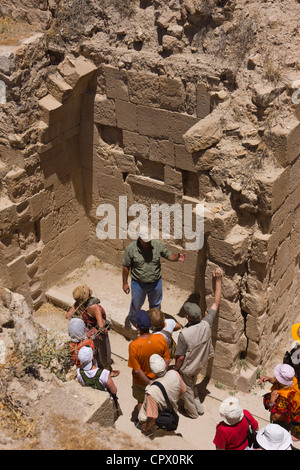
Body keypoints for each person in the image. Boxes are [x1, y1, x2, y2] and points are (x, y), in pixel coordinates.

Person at [174, 267, 223, 418]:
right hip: (200, 363)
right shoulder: (206, 324)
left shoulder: (184, 335)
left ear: (187, 317)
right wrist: (218, 280)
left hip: (188, 368)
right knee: (193, 382)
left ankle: (193, 411)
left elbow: (180, 358)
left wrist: (175, 370)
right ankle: (198, 403)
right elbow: (216, 303)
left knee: (186, 388)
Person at [122, 227, 186, 329]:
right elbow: (126, 267)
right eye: (146, 241)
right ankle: (133, 320)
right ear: (139, 238)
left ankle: (153, 324)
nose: (148, 242)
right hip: (138, 284)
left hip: (155, 283)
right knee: (136, 304)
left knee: (156, 305)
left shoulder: (157, 245)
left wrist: (176, 257)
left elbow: (169, 255)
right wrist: (125, 283)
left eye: (149, 240)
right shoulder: (130, 249)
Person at [66, 284, 120, 377]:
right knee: (104, 352)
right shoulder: (94, 307)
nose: (90, 289)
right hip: (98, 333)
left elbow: (68, 316)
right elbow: (101, 325)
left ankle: (96, 367)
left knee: (93, 351)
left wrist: (81, 319)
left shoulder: (78, 304)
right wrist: (103, 321)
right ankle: (108, 372)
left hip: (87, 331)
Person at [128, 310, 170, 415]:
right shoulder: (160, 338)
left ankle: (143, 422)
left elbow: (137, 370)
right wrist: (160, 375)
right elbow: (167, 359)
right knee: (154, 399)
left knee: (141, 401)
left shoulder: (134, 345)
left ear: (137, 325)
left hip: (142, 382)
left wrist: (148, 382)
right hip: (158, 378)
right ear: (150, 324)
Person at [137, 354, 186, 433]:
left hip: (158, 422)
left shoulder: (151, 390)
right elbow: (184, 390)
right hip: (171, 411)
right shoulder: (175, 373)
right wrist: (172, 399)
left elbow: (153, 416)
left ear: (152, 371)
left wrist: (145, 428)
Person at [259, 363, 300, 441]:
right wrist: (269, 379)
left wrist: (271, 401)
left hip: (283, 421)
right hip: (292, 411)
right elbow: (279, 383)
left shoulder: (283, 399)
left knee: (279, 433)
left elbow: (276, 417)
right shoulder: (293, 380)